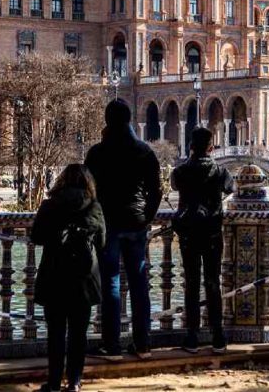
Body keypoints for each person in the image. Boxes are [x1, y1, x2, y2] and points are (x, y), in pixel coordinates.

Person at [84, 99, 161, 360]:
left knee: (111, 284)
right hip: (136, 223)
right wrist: (146, 217)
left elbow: (88, 192)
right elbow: (157, 190)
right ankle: (143, 344)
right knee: (140, 284)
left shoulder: (97, 153)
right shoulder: (145, 151)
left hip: (108, 225)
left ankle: (112, 345)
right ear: (130, 119)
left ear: (106, 120)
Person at [32, 164, 106, 392]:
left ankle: (54, 382)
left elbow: (37, 237)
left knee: (55, 333)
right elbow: (102, 243)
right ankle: (74, 381)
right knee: (78, 334)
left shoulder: (49, 205)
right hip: (83, 278)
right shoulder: (94, 207)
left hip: (54, 275)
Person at [170, 126, 233, 355]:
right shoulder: (220, 171)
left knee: (192, 284)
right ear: (211, 147)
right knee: (213, 283)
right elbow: (231, 187)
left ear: (190, 146)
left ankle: (192, 336)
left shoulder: (180, 171)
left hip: (188, 234)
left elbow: (174, 185)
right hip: (213, 233)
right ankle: (217, 336)